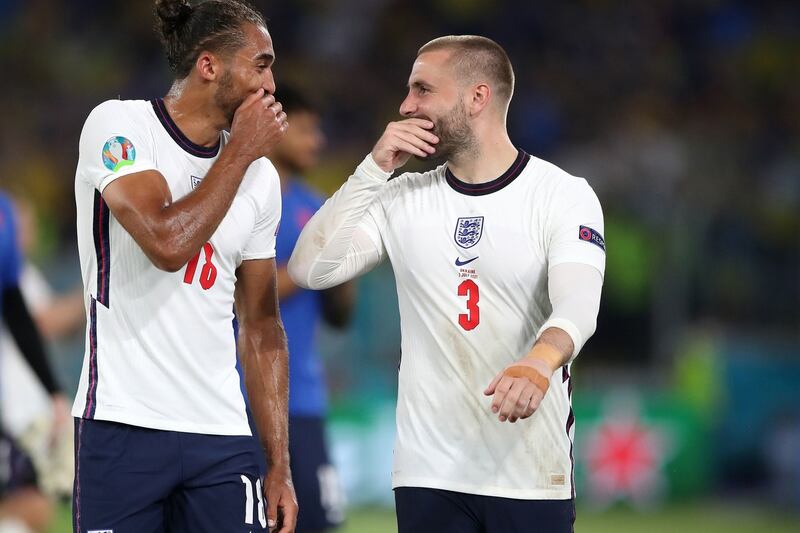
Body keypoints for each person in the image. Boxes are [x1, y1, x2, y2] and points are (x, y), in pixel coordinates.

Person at [288, 35, 605, 532]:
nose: (405, 105)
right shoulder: (403, 197)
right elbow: (311, 269)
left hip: (527, 473)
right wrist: (373, 170)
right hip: (427, 472)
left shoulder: (562, 195)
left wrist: (538, 363)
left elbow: (579, 305)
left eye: (421, 90)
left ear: (477, 97)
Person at [71, 1, 297, 532]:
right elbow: (166, 242)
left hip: (221, 434)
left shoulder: (262, 179)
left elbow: (262, 328)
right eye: (260, 64)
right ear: (209, 65)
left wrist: (279, 464)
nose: (272, 82)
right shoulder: (118, 125)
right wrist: (239, 153)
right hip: (121, 424)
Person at [269, 87, 353, 532]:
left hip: (302, 401)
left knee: (318, 523)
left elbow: (340, 318)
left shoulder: (318, 208)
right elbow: (237, 293)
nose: (316, 141)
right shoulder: (231, 202)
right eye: (304, 129)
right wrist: (311, 263)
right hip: (238, 399)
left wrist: (347, 263)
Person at [0, 191, 68, 533]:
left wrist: (53, 390)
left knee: (34, 502)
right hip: (16, 411)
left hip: (12, 409)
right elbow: (43, 320)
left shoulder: (5, 219)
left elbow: (18, 314)